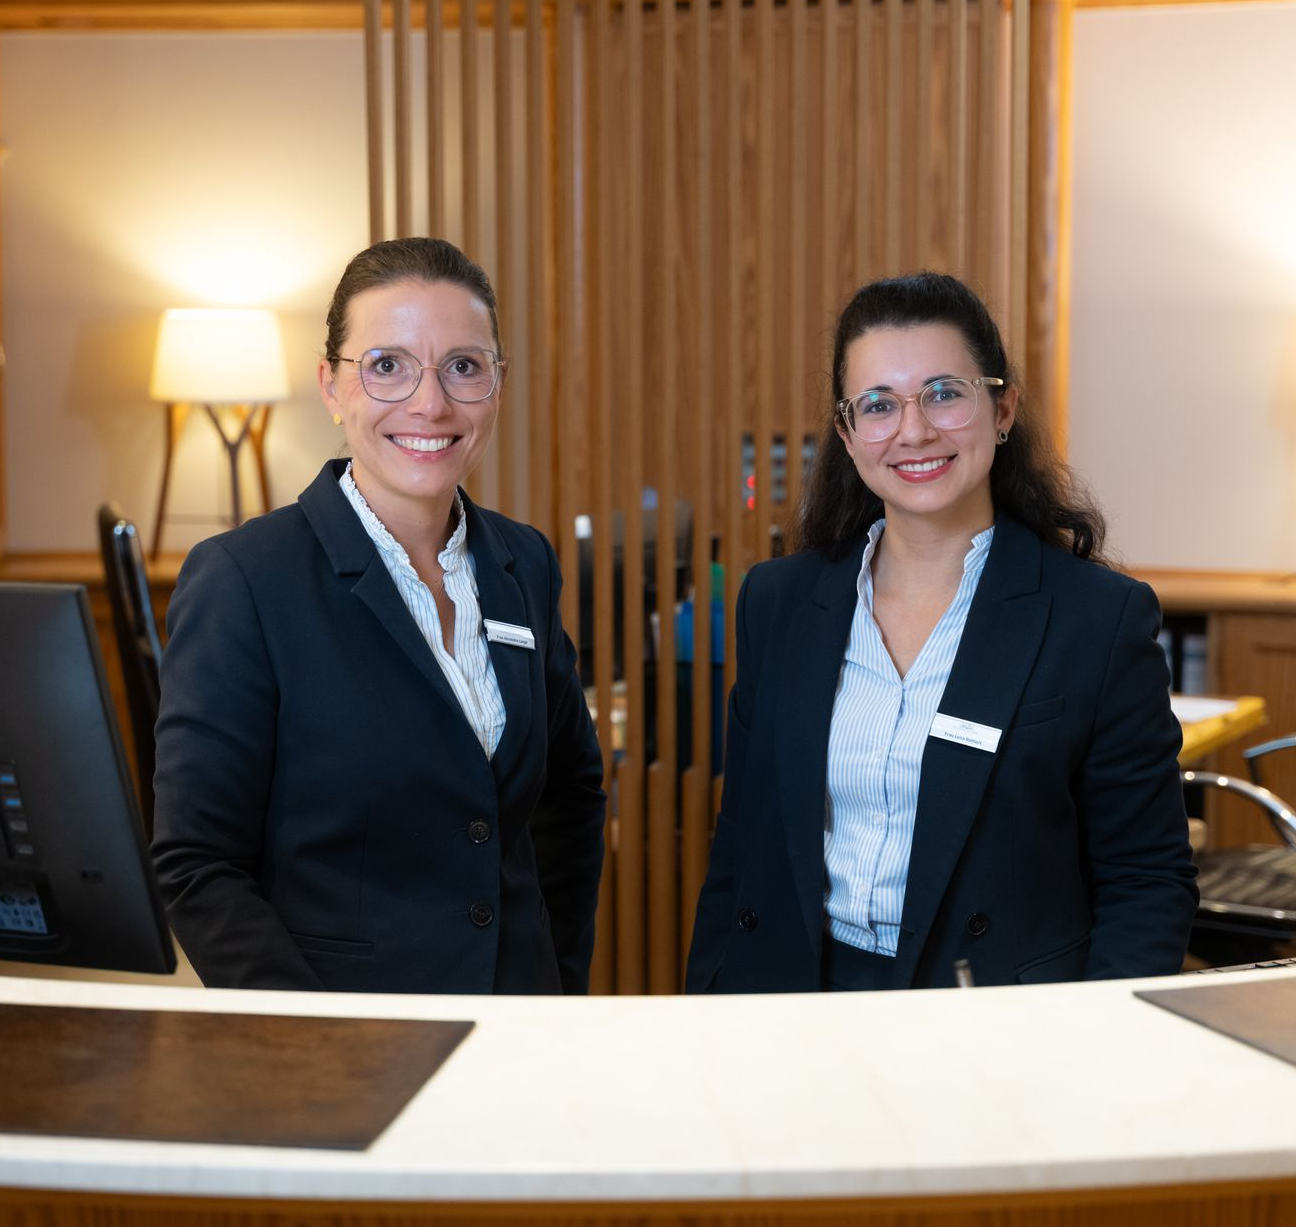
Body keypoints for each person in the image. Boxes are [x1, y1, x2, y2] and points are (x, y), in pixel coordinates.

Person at [686, 272, 1197, 993]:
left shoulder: (1096, 618)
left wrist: (1096, 1054)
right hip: (793, 1006)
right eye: (878, 405)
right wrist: (711, 1002)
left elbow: (1146, 879)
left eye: (944, 393)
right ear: (847, 433)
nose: (914, 429)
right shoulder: (778, 602)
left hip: (999, 1021)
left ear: (1004, 407)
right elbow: (740, 845)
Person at [152, 237, 605, 994]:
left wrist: (553, 979)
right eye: (387, 365)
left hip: (519, 1033)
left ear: (496, 386)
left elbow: (571, 793)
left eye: (464, 366)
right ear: (332, 386)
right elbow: (197, 865)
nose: (430, 403)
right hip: (344, 1046)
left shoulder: (522, 562)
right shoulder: (245, 579)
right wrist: (318, 1048)